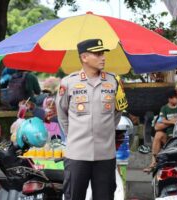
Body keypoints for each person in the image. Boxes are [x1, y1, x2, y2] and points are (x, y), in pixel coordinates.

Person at [56, 39, 122, 200]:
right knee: (74, 196)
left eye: (103, 54)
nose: (103, 58)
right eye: (98, 54)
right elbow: (62, 114)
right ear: (84, 57)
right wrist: (75, 136)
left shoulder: (113, 81)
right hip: (77, 155)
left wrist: (105, 132)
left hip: (105, 155)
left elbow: (117, 112)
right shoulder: (69, 82)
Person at [143, 89, 177, 173]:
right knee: (158, 134)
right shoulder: (164, 108)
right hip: (168, 136)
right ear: (170, 99)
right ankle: (154, 162)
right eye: (176, 98)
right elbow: (160, 122)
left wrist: (171, 121)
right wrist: (173, 121)